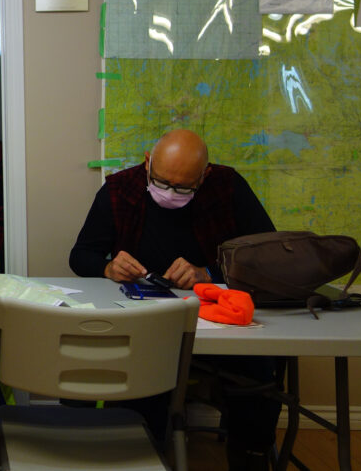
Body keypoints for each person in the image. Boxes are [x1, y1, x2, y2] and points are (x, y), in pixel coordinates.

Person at [70, 128, 280, 471]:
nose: (170, 194)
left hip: (216, 322)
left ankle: (250, 456)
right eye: (161, 182)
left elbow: (266, 255)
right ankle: (142, 454)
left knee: (256, 377)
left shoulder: (228, 187)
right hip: (146, 324)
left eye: (184, 188)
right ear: (147, 163)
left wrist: (208, 273)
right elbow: (80, 256)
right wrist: (108, 266)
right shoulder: (120, 189)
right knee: (141, 386)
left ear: (204, 176)